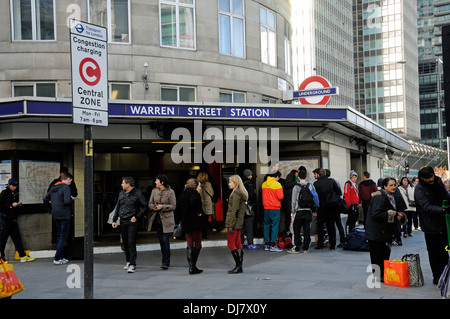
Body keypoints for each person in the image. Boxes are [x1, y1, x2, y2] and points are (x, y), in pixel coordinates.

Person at [365, 177, 406, 283]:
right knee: (377, 255)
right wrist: (392, 214)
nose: (393, 187)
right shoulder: (380, 197)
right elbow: (376, 213)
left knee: (384, 254)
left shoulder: (391, 196)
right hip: (376, 232)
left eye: (394, 185)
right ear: (384, 186)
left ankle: (383, 274)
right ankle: (379, 276)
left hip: (384, 232)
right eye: (391, 185)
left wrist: (398, 216)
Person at [414, 166, 450, 285]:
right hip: (430, 225)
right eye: (428, 178)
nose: (431, 180)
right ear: (422, 178)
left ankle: (446, 274)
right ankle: (437, 276)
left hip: (443, 223)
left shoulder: (438, 181)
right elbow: (426, 207)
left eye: (432, 176)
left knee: (445, 250)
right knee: (434, 252)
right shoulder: (419, 189)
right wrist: (443, 210)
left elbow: (445, 195)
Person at [112, 176, 148, 273]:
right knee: (125, 242)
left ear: (128, 184)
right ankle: (128, 261)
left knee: (131, 242)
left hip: (132, 221)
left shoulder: (138, 193)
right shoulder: (121, 193)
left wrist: (136, 217)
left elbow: (145, 207)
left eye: (123, 183)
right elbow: (118, 206)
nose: (121, 184)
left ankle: (132, 264)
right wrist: (114, 220)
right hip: (123, 220)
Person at [0, 178, 35, 263]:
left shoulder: (14, 193)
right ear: (9, 185)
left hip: (13, 219)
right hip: (6, 219)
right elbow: (1, 206)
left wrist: (17, 205)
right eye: (13, 185)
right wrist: (11, 205)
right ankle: (2, 258)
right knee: (3, 239)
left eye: (16, 185)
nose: (15, 187)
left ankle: (22, 255)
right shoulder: (4, 193)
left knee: (17, 238)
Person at [43, 173, 74, 265]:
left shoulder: (53, 188)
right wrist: (72, 199)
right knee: (63, 236)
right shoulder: (66, 188)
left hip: (55, 214)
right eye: (70, 181)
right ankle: (57, 258)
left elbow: (45, 199)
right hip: (65, 215)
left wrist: (50, 209)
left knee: (59, 235)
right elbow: (67, 201)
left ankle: (61, 257)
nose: (70, 183)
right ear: (67, 179)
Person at [147, 174, 176, 270]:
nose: (155, 182)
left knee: (165, 240)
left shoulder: (170, 192)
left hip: (167, 220)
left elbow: (173, 206)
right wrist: (154, 207)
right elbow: (150, 203)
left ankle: (165, 262)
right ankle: (165, 259)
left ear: (162, 182)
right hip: (157, 219)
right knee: (161, 241)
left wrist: (162, 207)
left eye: (157, 180)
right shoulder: (154, 191)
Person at [177, 178, 204, 274]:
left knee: (189, 243)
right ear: (195, 186)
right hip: (195, 223)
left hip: (185, 223)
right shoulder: (195, 195)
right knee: (197, 244)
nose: (200, 188)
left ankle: (191, 266)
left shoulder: (182, 195)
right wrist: (200, 214)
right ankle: (193, 266)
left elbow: (179, 210)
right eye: (199, 186)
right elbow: (199, 209)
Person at [289, 168, 319, 253]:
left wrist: (293, 212)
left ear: (298, 177)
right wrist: (314, 210)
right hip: (308, 211)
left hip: (299, 211)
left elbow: (293, 201)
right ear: (306, 177)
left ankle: (296, 247)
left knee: (296, 229)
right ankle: (306, 248)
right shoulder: (311, 186)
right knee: (307, 230)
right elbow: (315, 198)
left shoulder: (296, 187)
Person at [47, 166, 78, 249]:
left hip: (56, 211)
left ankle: (58, 245)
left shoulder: (54, 184)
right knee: (63, 232)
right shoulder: (66, 186)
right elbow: (70, 198)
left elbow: (46, 197)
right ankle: (60, 251)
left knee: (59, 230)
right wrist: (71, 199)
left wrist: (50, 208)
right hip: (65, 211)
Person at [225, 175, 248, 274]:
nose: (229, 183)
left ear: (235, 183)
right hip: (238, 222)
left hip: (233, 222)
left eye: (230, 182)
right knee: (238, 243)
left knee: (231, 244)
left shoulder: (235, 195)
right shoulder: (241, 194)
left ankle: (238, 266)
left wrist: (230, 224)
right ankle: (239, 265)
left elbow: (233, 210)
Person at [313, 168, 341, 250]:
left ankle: (320, 244)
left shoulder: (316, 183)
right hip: (331, 206)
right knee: (331, 226)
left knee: (320, 226)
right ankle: (332, 245)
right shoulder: (332, 181)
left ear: (319, 174)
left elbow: (314, 196)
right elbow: (339, 192)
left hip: (321, 207)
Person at [262, 170, 284, 251]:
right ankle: (273, 245)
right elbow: (280, 197)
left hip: (266, 208)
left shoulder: (264, 184)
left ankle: (266, 245)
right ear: (277, 176)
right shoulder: (277, 184)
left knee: (266, 226)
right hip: (275, 208)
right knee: (274, 226)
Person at [241, 169, 259, 249]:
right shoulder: (249, 184)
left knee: (241, 226)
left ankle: (241, 242)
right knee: (249, 225)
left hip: (240, 207)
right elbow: (251, 196)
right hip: (248, 207)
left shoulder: (239, 183)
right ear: (249, 175)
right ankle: (250, 243)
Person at [197, 171, 214, 239]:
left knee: (199, 220)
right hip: (207, 204)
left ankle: (199, 234)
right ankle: (205, 234)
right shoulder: (208, 184)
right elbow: (212, 194)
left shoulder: (197, 184)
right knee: (206, 220)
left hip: (200, 203)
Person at [344, 170, 360, 235]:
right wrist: (349, 205)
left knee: (354, 220)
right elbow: (346, 195)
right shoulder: (348, 184)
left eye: (355, 177)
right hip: (351, 205)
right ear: (351, 177)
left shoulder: (355, 185)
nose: (355, 179)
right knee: (350, 220)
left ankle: (352, 233)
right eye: (353, 177)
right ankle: (348, 234)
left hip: (356, 204)